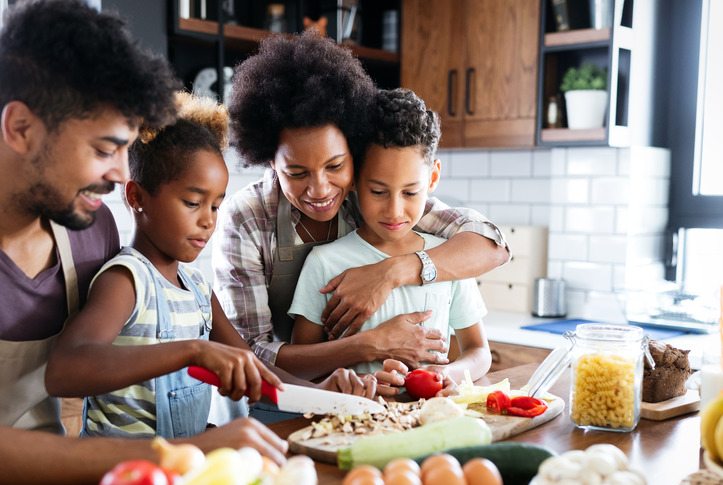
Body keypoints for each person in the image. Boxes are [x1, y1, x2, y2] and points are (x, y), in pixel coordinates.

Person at [0, 0, 282, 485]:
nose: (121, 174)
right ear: (20, 128)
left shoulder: (88, 231)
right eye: (104, 149)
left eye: (125, 149)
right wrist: (178, 454)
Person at [44, 93, 377, 439]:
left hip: (181, 471)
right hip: (120, 474)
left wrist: (321, 392)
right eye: (192, 202)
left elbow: (255, 368)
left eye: (216, 206)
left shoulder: (198, 289)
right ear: (137, 197)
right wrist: (193, 351)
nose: (208, 221)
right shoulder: (126, 281)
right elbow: (64, 371)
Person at [214, 32, 510, 384]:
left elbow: (492, 245)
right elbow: (250, 354)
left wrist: (391, 273)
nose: (320, 189)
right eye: (296, 172)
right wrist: (370, 345)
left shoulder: (374, 197)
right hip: (266, 404)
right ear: (269, 162)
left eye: (335, 166)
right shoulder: (245, 218)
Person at [289, 88, 491, 396]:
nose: (395, 211)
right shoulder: (324, 263)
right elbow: (302, 367)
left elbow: (478, 351)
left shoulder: (447, 258)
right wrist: (352, 382)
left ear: (433, 178)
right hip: (354, 424)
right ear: (354, 178)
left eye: (410, 192)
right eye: (379, 191)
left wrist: (450, 373)